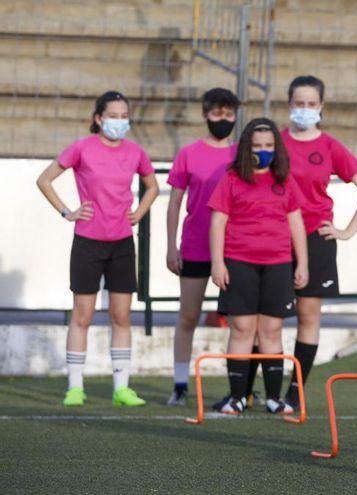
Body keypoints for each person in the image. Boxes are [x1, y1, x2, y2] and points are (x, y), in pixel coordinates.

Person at [36, 91, 159, 407]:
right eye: (113, 115)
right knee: (83, 315)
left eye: (123, 116)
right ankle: (75, 387)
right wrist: (68, 212)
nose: (119, 121)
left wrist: (139, 212)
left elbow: (153, 186)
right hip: (88, 241)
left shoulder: (135, 152)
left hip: (121, 243)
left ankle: (122, 388)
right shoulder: (82, 148)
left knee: (122, 316)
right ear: (98, 118)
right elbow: (45, 180)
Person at [279, 75, 357, 409]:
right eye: (298, 104)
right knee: (269, 318)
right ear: (289, 105)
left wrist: (346, 231)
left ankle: (295, 390)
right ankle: (260, 389)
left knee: (308, 316)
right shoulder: (274, 143)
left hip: (316, 238)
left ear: (320, 107)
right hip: (276, 238)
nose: (304, 109)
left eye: (311, 104)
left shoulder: (330, 146)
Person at [207, 118, 308, 414]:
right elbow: (218, 222)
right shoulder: (232, 179)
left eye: (268, 146)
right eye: (257, 146)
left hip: (278, 264)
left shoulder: (284, 180)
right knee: (241, 328)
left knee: (272, 329)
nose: (263, 151)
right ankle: (238, 396)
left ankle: (274, 397)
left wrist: (302, 263)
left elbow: (296, 224)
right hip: (239, 262)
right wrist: (217, 262)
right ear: (245, 148)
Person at [165, 88, 240, 406]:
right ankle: (180, 385)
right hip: (196, 246)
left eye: (228, 114)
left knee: (240, 321)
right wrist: (171, 247)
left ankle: (240, 389)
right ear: (205, 114)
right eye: (217, 114)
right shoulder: (188, 154)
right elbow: (174, 204)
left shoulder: (241, 154)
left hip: (234, 248)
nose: (223, 120)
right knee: (188, 316)